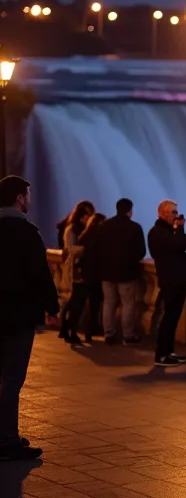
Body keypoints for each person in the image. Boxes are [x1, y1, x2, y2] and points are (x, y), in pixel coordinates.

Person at [0, 176, 59, 461]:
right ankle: (8, 441)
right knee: (12, 379)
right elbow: (40, 274)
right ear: (21, 198)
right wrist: (53, 307)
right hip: (17, 316)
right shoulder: (26, 232)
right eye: (29, 195)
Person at [148, 200, 186, 367]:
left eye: (176, 212)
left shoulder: (164, 231)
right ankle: (161, 355)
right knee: (169, 317)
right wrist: (179, 228)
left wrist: (178, 229)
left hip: (174, 278)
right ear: (163, 213)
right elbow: (181, 243)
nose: (176, 215)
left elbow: (185, 242)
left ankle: (169, 351)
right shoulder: (159, 232)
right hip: (171, 279)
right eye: (173, 212)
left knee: (172, 318)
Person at [96, 198, 147, 345]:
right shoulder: (135, 228)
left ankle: (109, 334)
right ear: (129, 211)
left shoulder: (104, 226)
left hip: (106, 272)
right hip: (127, 272)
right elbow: (141, 251)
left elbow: (98, 248)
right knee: (128, 304)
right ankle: (128, 335)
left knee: (109, 303)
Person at [58, 202, 96, 346]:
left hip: (81, 270)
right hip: (75, 270)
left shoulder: (82, 230)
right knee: (76, 302)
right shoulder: (72, 229)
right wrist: (86, 248)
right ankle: (69, 329)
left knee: (76, 301)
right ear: (81, 215)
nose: (89, 217)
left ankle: (66, 328)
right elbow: (70, 249)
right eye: (87, 214)